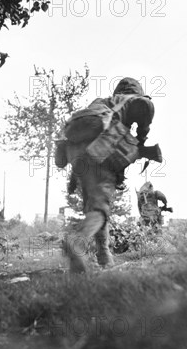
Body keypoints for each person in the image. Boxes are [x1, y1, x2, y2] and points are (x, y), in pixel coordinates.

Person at [60, 77, 155, 273]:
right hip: (100, 151)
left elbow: (83, 136)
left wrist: (73, 177)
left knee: (95, 207)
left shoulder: (100, 104)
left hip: (77, 154)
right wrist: (142, 136)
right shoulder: (133, 101)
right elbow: (146, 107)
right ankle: (77, 242)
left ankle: (103, 256)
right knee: (100, 209)